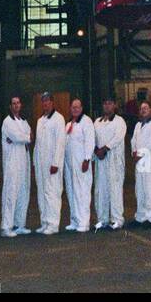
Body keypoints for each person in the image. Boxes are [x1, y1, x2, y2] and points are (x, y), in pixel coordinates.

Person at [34, 92, 66, 235]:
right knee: (42, 193)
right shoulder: (40, 120)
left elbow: (60, 143)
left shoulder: (59, 119)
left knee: (52, 193)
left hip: (52, 164)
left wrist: (56, 163)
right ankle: (45, 222)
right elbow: (37, 143)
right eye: (43, 101)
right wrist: (35, 161)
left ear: (52, 102)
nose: (45, 104)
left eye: (48, 101)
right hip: (40, 163)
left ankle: (53, 224)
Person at [0, 94, 32, 237]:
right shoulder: (7, 122)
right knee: (10, 193)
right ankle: (6, 226)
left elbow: (30, 134)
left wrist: (24, 138)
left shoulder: (24, 121)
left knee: (23, 192)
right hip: (12, 162)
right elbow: (17, 136)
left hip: (23, 160)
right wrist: (24, 138)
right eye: (13, 103)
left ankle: (20, 224)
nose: (16, 105)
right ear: (10, 106)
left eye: (18, 103)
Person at [93, 95, 126, 230]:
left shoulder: (119, 121)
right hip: (100, 160)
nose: (107, 106)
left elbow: (118, 137)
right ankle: (103, 219)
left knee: (115, 189)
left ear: (114, 105)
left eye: (110, 103)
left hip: (114, 160)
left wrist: (105, 149)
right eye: (105, 103)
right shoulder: (97, 122)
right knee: (100, 190)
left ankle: (117, 219)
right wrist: (96, 150)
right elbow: (92, 138)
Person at [64, 97, 95, 232]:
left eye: (78, 107)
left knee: (82, 192)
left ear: (82, 108)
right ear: (70, 109)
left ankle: (84, 222)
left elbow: (90, 141)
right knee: (71, 191)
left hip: (81, 162)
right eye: (73, 107)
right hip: (69, 164)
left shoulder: (86, 122)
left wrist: (87, 159)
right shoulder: (69, 124)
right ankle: (75, 220)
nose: (75, 109)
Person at [129, 100, 151, 229]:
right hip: (139, 161)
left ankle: (150, 218)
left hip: (149, 160)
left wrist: (139, 153)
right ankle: (140, 217)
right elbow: (133, 141)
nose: (143, 110)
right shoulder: (138, 125)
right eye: (141, 108)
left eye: (146, 108)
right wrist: (134, 152)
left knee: (149, 189)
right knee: (139, 189)